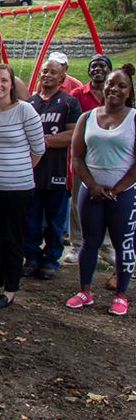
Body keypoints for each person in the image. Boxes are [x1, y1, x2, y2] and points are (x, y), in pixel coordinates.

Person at [66, 65, 136, 316]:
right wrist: (93, 186)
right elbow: (77, 157)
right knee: (89, 242)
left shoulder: (134, 118)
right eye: (110, 84)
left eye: (121, 86)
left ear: (129, 92)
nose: (114, 89)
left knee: (123, 244)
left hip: (124, 192)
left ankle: (121, 294)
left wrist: (117, 188)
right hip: (91, 190)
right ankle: (85, 291)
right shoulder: (87, 118)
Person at [0, 64, 45, 308]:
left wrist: (19, 169)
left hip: (18, 187)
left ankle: (11, 289)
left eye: (4, 80)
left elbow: (38, 148)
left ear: (12, 84)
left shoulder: (25, 111)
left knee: (12, 238)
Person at [23, 59, 81, 280]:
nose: (47, 75)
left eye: (53, 72)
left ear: (62, 78)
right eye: (44, 71)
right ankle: (32, 256)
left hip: (57, 171)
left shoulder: (69, 103)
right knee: (31, 218)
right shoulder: (30, 104)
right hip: (32, 172)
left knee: (56, 221)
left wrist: (44, 141)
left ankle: (51, 259)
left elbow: (72, 135)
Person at [65, 54, 116, 268]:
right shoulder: (77, 94)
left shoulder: (115, 94)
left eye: (102, 66)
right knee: (78, 201)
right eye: (93, 66)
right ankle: (78, 244)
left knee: (111, 199)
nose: (97, 69)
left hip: (110, 157)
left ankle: (107, 247)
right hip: (83, 155)